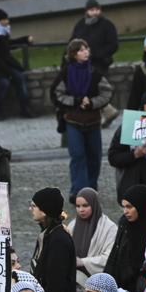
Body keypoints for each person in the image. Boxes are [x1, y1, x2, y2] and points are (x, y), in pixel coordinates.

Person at [50, 41, 114, 196]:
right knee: (78, 155)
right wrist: (76, 101)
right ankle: (78, 191)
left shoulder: (94, 72)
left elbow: (106, 92)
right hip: (73, 120)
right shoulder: (66, 73)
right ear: (74, 54)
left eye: (87, 48)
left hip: (93, 120)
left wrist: (92, 103)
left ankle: (91, 189)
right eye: (81, 50)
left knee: (94, 156)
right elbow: (56, 94)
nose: (86, 52)